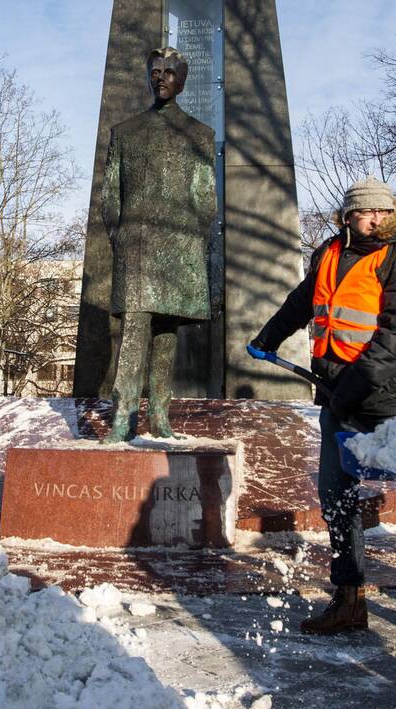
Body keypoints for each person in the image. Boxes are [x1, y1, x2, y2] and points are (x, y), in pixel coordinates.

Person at [250, 177, 396, 661]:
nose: (376, 220)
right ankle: (350, 599)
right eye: (366, 213)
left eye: (384, 212)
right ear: (347, 216)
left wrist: (350, 392)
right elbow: (302, 301)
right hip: (340, 394)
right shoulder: (330, 254)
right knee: (336, 498)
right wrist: (268, 337)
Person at [99, 46, 217, 442]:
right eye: (155, 71)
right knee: (135, 326)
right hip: (136, 244)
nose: (161, 77)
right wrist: (120, 235)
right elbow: (110, 194)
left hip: (179, 245)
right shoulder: (126, 132)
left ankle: (161, 415)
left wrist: (192, 239)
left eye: (169, 72)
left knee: (166, 331)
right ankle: (123, 414)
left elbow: (206, 198)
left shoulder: (200, 134)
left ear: (181, 79)